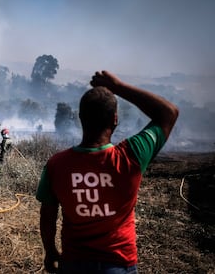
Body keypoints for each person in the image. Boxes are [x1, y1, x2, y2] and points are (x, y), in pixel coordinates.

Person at [36, 70, 179, 273]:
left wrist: (50, 252)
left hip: (74, 264)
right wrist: (118, 87)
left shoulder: (56, 165)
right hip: (120, 264)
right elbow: (169, 113)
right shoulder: (132, 155)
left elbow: (47, 216)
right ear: (115, 120)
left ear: (80, 118)